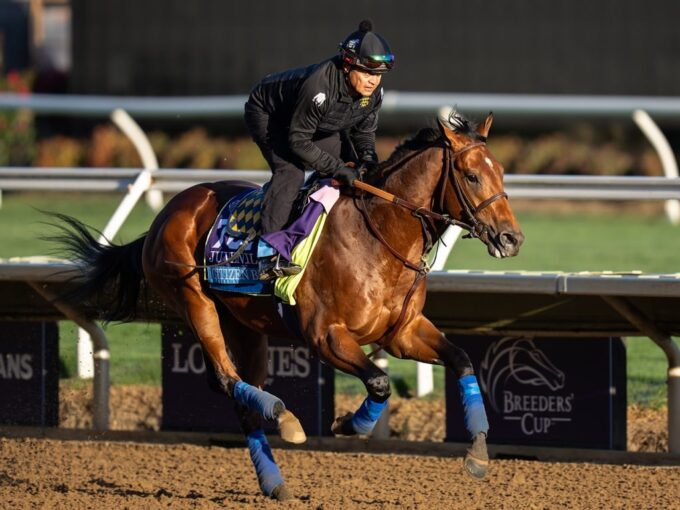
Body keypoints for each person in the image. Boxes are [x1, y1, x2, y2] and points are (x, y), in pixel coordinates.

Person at [244, 19, 394, 280]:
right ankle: (268, 254)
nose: (373, 81)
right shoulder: (319, 86)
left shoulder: (374, 94)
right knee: (290, 171)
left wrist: (368, 159)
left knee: (354, 165)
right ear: (347, 65)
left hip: (316, 122)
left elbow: (364, 133)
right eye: (367, 73)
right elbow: (299, 142)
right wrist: (336, 168)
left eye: (378, 75)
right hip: (270, 115)